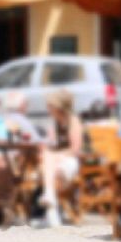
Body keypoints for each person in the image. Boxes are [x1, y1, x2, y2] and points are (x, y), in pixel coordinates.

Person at [38, 89, 83, 227]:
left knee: (48, 164)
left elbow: (75, 149)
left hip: (71, 160)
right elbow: (52, 144)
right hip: (55, 162)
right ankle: (52, 210)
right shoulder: (54, 122)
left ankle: (50, 210)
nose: (48, 109)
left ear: (58, 107)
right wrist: (46, 147)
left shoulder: (73, 121)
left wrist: (55, 155)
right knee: (48, 164)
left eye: (50, 106)